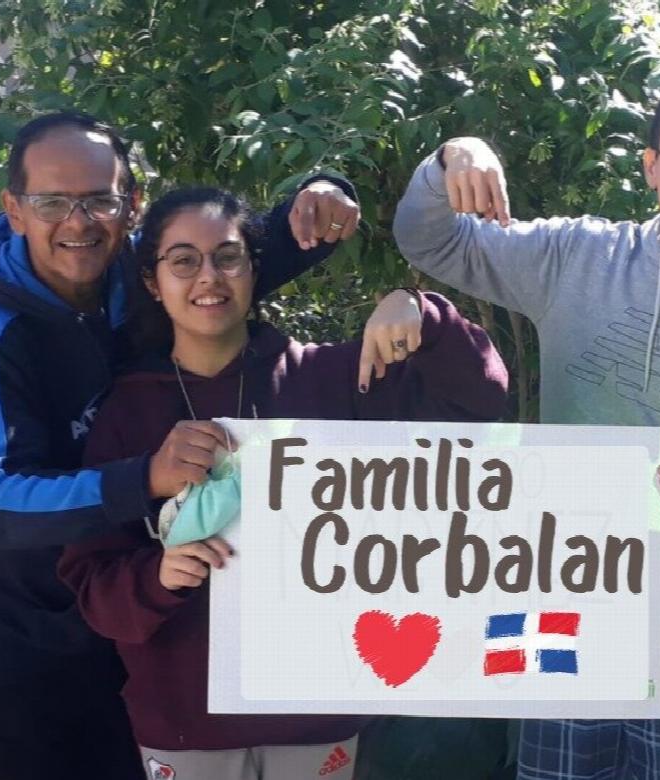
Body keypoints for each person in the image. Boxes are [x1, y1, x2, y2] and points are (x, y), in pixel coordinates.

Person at [393, 69, 660, 779]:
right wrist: (451, 158)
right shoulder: (576, 258)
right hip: (563, 600)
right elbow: (428, 240)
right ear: (651, 165)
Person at [0, 111, 360, 779]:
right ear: (13, 209)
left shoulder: (139, 278)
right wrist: (143, 478)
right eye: (52, 202)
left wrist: (322, 195)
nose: (79, 221)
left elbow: (229, 268)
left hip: (120, 613)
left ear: (130, 204)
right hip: (4, 638)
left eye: (99, 199)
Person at [57, 187, 509, 780]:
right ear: (152, 281)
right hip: (187, 722)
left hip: (317, 714)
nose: (208, 278)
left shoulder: (334, 379)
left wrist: (422, 313)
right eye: (184, 260)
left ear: (253, 268)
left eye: (228, 256)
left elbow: (480, 401)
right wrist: (158, 576)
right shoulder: (127, 411)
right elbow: (91, 578)